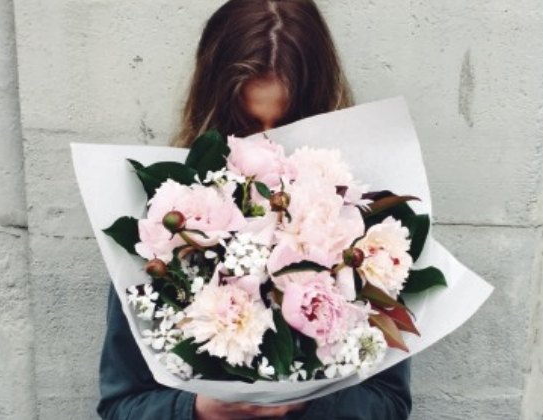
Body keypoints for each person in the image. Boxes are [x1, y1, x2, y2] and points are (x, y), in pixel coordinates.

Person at [97, 1, 412, 419]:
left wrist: (305, 400)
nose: (267, 148)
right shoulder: (167, 227)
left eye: (291, 124)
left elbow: (389, 405)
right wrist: (197, 410)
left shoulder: (363, 237)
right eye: (245, 127)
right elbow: (120, 405)